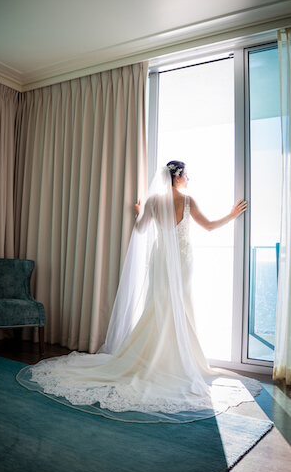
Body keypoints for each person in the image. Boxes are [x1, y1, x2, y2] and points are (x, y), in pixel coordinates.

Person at [17, 161, 261, 423]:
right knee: (180, 307)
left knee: (158, 307)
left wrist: (138, 212)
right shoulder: (188, 200)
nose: (189, 179)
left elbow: (142, 229)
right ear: (177, 178)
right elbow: (210, 226)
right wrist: (232, 215)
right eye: (187, 175)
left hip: (159, 261)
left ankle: (156, 357)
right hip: (181, 260)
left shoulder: (155, 201)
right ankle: (176, 359)